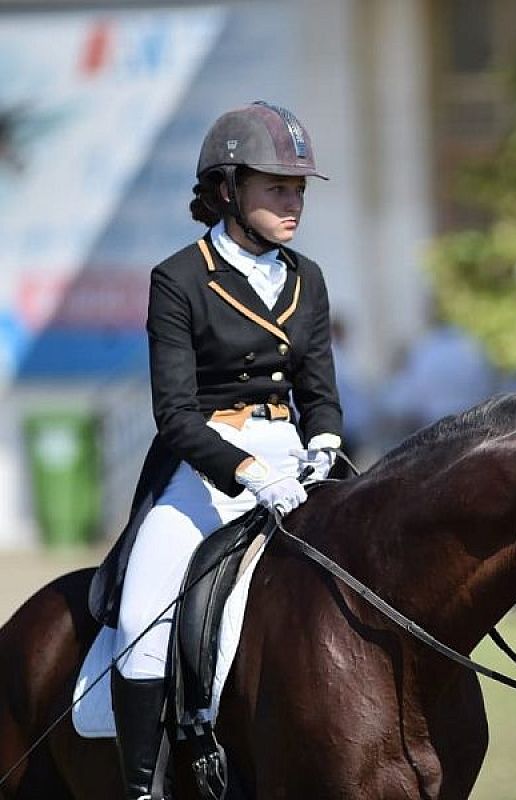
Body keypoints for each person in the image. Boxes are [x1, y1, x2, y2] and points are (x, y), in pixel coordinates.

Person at [87, 101, 343, 799]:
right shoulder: (179, 278)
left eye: (298, 190)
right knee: (143, 618)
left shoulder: (307, 278)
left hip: (295, 459)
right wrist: (249, 473)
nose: (294, 203)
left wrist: (324, 443)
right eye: (277, 188)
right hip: (206, 464)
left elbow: (319, 387)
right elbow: (173, 414)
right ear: (228, 190)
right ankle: (144, 787)